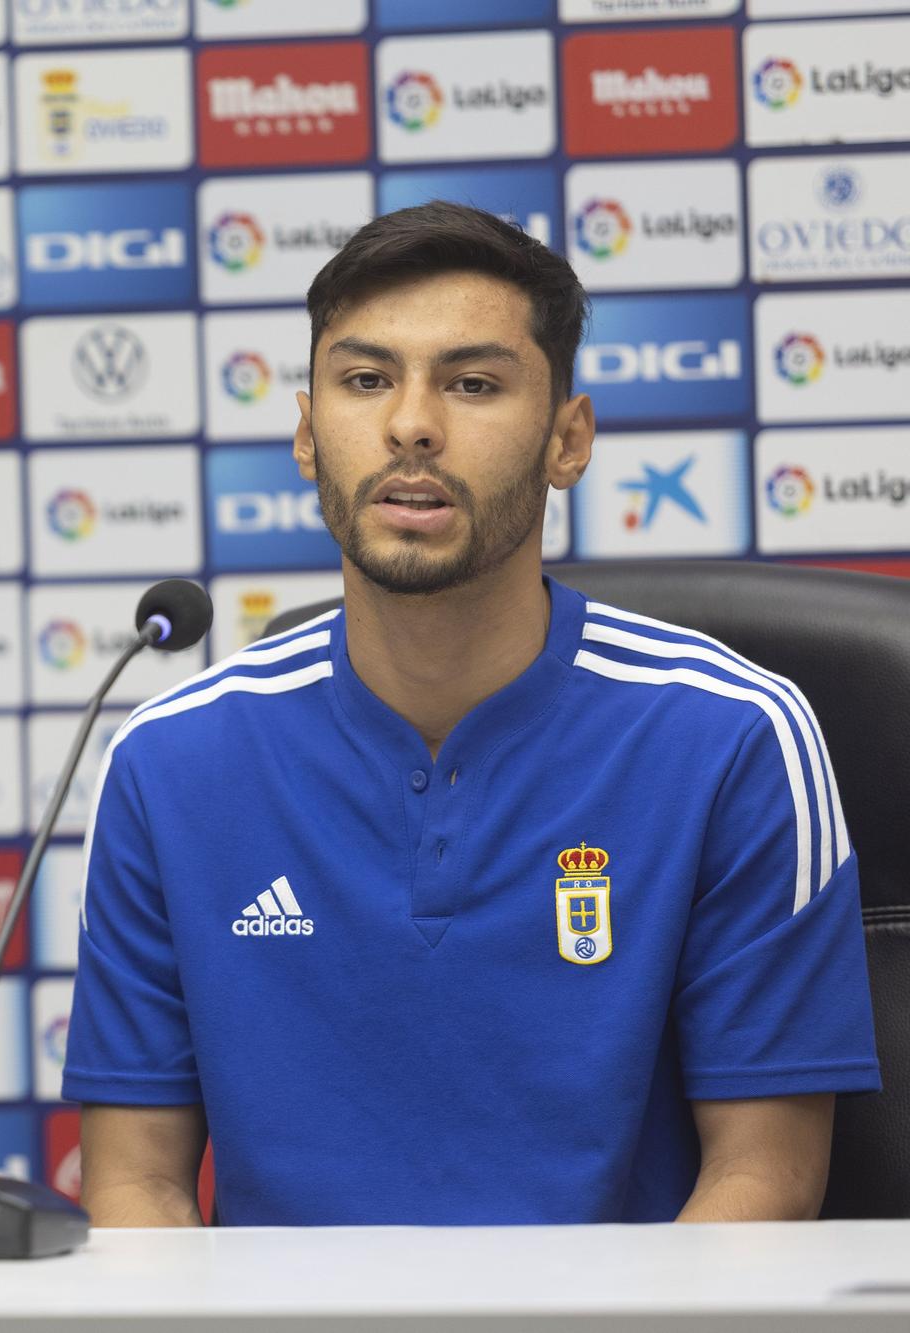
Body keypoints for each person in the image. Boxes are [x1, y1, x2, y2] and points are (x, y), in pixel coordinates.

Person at [64, 202, 878, 1226]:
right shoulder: (170, 762)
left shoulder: (732, 736)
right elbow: (134, 1187)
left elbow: (761, 1185)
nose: (409, 424)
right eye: (364, 381)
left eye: (471, 383)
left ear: (566, 440)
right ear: (308, 436)